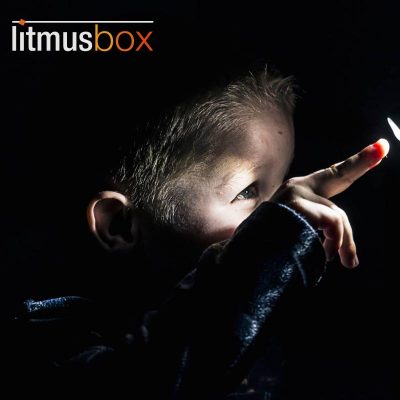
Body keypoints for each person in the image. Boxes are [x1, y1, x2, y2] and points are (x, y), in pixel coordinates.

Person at [8, 68, 389, 399]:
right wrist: (274, 236)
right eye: (248, 192)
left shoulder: (270, 327)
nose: (281, 207)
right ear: (119, 224)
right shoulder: (47, 343)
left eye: (279, 188)